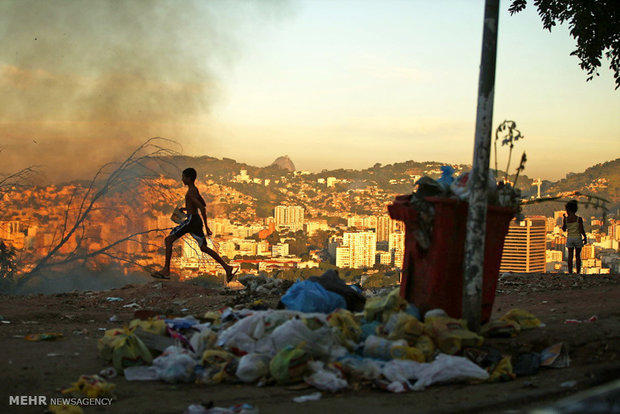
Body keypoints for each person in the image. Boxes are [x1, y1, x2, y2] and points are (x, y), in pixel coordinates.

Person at [152, 168, 238, 282]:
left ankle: (166, 270)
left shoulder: (191, 191)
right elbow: (203, 203)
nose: (182, 179)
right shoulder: (195, 190)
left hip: (192, 220)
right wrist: (187, 208)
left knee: (168, 240)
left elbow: (202, 207)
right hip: (196, 220)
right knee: (203, 247)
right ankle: (227, 268)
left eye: (183, 177)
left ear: (188, 178)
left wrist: (207, 226)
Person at [562, 200, 587, 274]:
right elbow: (581, 229)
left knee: (570, 256)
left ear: (568, 210)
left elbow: (564, 229)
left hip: (570, 238)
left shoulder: (566, 219)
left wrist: (564, 219)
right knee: (578, 256)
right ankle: (578, 272)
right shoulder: (578, 219)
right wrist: (585, 237)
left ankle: (570, 272)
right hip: (577, 238)